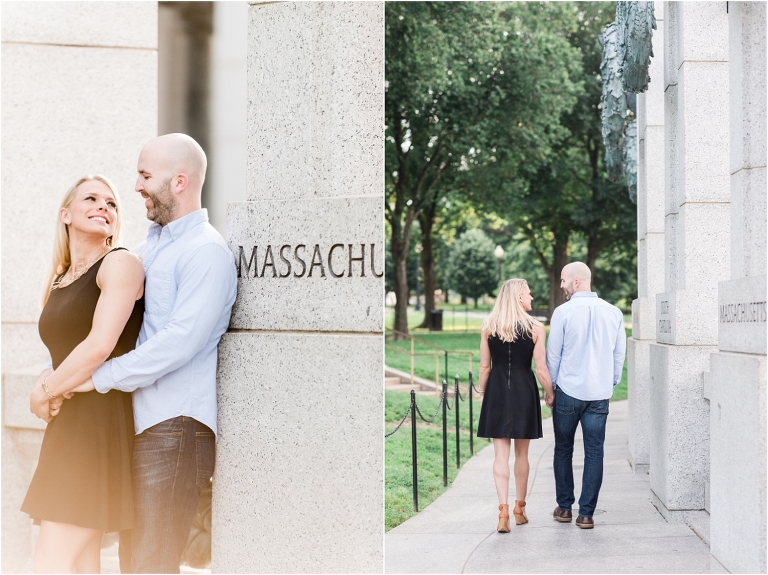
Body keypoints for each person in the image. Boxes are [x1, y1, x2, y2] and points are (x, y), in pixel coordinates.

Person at [31, 133, 238, 573]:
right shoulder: (149, 250)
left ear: (178, 181)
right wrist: (55, 378)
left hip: (175, 427)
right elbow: (91, 324)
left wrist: (92, 379)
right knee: (129, 563)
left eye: (145, 176)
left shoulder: (205, 251)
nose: (137, 187)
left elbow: (178, 342)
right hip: (133, 424)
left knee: (149, 565)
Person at [23, 174, 145, 573]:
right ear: (66, 214)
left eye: (111, 203)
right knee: (81, 564)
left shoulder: (121, 264)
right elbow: (61, 351)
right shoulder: (59, 280)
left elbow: (98, 346)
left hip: (97, 426)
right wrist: (47, 382)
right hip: (67, 426)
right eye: (91, 199)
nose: (103, 207)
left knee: (50, 561)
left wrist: (45, 392)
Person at [546, 261, 626, 529]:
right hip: (599, 394)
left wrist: (552, 389)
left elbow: (553, 356)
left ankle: (564, 508)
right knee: (594, 452)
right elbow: (619, 355)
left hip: (568, 392)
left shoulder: (562, 312)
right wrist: (609, 383)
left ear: (576, 282)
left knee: (563, 449)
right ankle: (587, 514)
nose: (561, 285)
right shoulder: (614, 312)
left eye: (563, 280)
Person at [476, 279, 555, 533]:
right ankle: (520, 509)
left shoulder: (489, 326)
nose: (531, 298)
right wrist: (550, 393)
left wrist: (482, 391)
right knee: (522, 455)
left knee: (500, 456)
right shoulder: (536, 328)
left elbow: (484, 366)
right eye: (528, 294)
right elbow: (541, 369)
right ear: (519, 297)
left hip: (497, 389)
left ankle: (503, 513)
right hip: (523, 391)